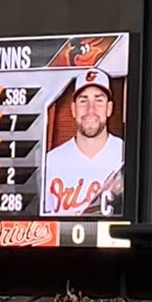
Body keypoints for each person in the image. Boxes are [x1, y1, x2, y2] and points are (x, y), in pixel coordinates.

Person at [43, 69, 124, 216]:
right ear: (73, 110)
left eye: (99, 100)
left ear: (109, 108)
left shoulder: (125, 156)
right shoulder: (50, 162)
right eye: (83, 100)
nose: (90, 110)